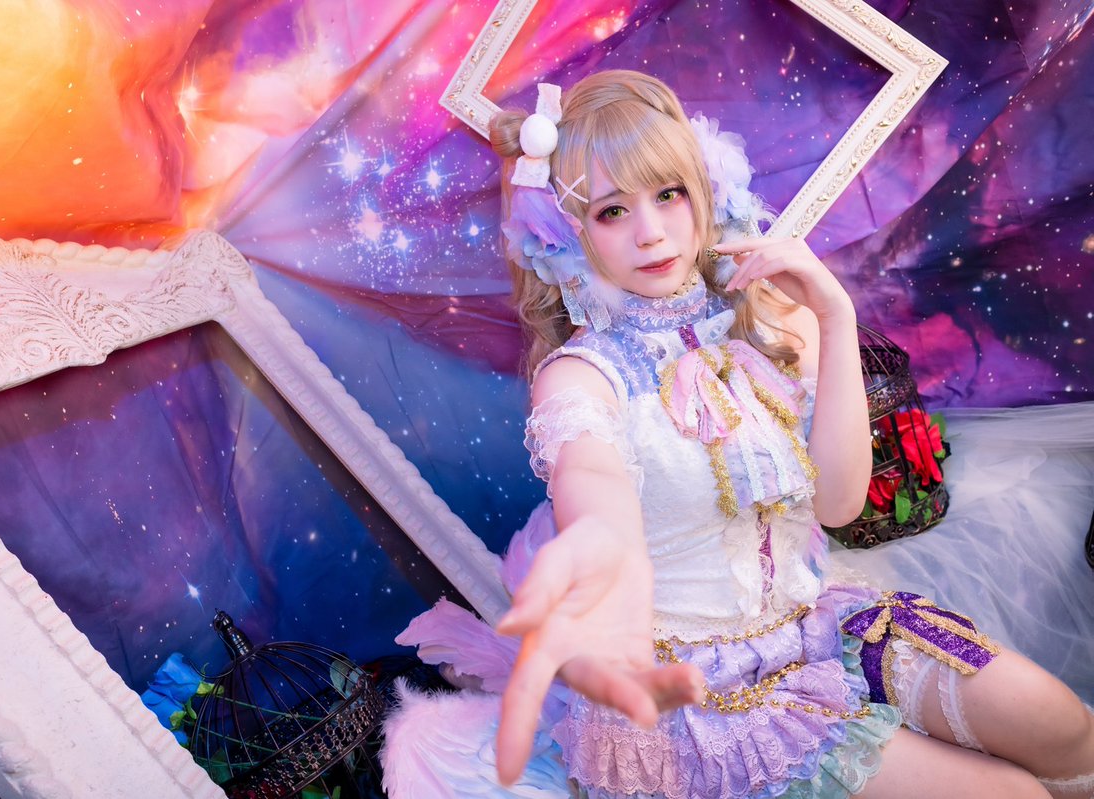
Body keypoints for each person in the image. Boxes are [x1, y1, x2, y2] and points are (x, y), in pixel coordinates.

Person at [380, 70, 1094, 798]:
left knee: (1060, 722)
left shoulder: (772, 320)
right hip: (705, 700)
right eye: (612, 211)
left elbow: (840, 505)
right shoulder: (579, 376)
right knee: (1017, 796)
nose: (651, 232)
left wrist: (836, 316)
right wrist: (598, 543)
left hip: (817, 624)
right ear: (570, 235)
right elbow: (591, 482)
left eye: (668, 194)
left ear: (705, 190)